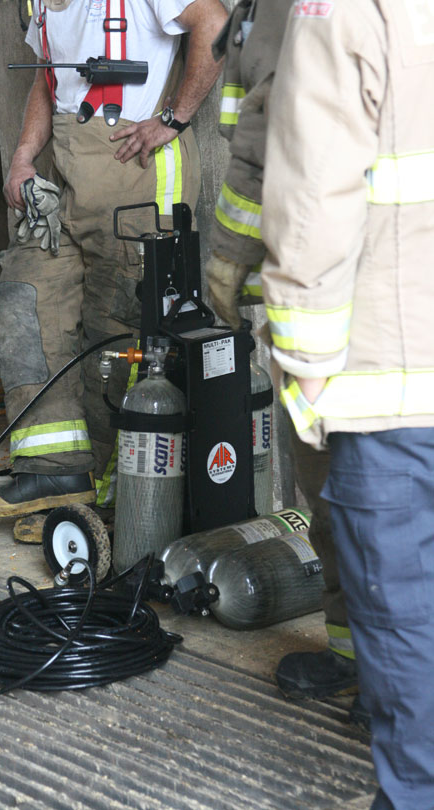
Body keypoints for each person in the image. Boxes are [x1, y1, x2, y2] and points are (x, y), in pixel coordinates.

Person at [260, 0, 434, 806]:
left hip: (395, 386)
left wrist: (306, 367)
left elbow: (312, 199)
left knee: (403, 620)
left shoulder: (346, 9)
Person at [0, 0, 228, 529]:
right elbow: (49, 81)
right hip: (68, 175)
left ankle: (120, 496)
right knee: (25, 298)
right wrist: (23, 156)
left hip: (136, 176)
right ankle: (56, 474)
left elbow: (216, 23)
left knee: (120, 333)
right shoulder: (41, 4)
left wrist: (172, 120)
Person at [206, 0, 363, 720]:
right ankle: (361, 661)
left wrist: (229, 258)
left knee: (354, 500)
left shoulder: (297, 11)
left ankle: (393, 684)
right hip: (367, 290)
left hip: (353, 301)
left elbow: (263, 141)